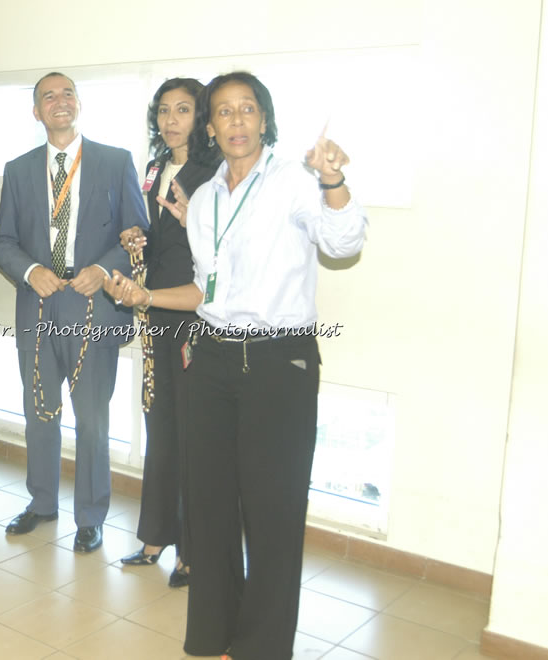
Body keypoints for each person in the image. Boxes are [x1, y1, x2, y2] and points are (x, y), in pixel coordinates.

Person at [104, 71, 368, 659]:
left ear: (265, 119)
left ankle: (261, 648)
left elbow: (343, 242)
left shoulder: (297, 183)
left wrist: (334, 180)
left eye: (247, 109)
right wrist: (144, 297)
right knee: (212, 505)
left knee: (273, 514)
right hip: (215, 357)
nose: (236, 121)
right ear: (211, 125)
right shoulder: (204, 200)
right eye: (223, 112)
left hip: (279, 362)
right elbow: (205, 290)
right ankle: (214, 639)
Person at [0, 72, 148, 552]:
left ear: (78, 104)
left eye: (67, 94)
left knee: (92, 421)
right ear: (36, 112)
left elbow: (138, 232)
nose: (59, 102)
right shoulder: (18, 170)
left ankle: (91, 516)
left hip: (93, 309)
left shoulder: (115, 161)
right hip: (39, 307)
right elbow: (2, 243)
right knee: (40, 414)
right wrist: (30, 269)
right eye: (47, 97)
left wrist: (103, 269)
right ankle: (41, 503)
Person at [118, 78, 219, 587]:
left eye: (183, 109)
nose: (171, 119)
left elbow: (210, 242)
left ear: (201, 116)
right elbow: (164, 233)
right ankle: (155, 533)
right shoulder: (157, 165)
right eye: (163, 110)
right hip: (154, 305)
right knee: (159, 421)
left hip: (193, 309)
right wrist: (139, 235)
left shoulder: (215, 168)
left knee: (191, 432)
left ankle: (193, 549)